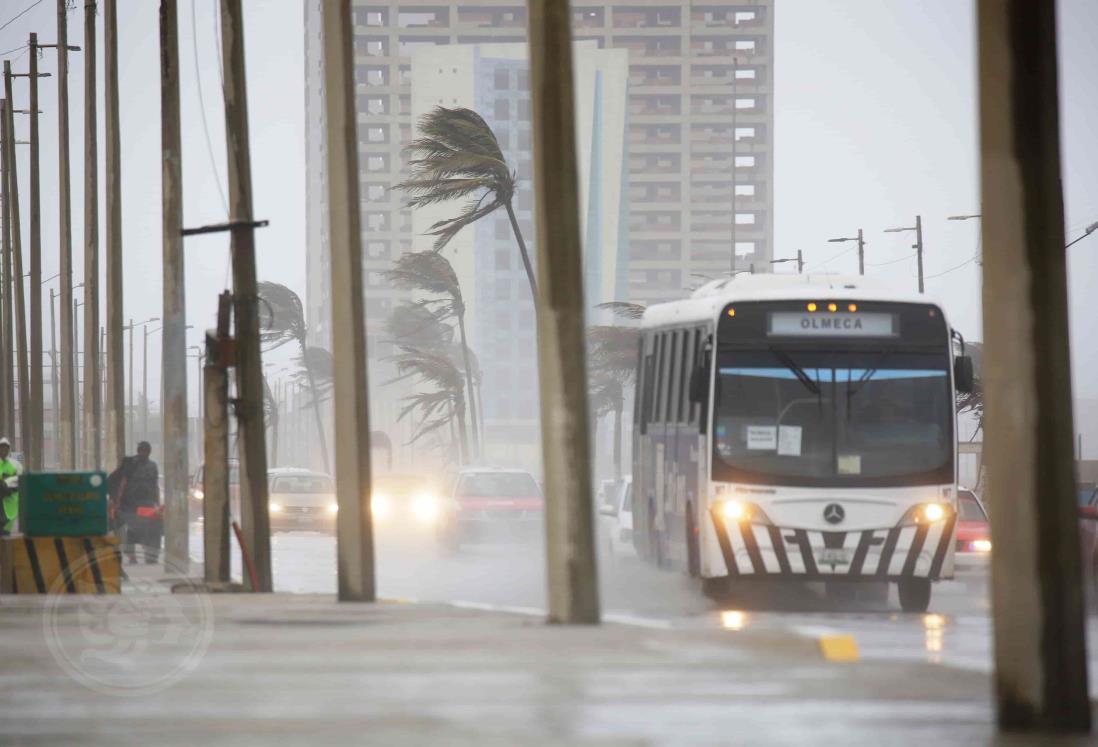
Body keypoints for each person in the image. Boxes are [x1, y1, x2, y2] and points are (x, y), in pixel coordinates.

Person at [110, 442, 162, 564]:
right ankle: (132, 556)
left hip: (147, 503)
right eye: (142, 451)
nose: (143, 453)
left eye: (146, 451)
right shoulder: (130, 464)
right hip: (130, 503)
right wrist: (117, 501)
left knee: (149, 528)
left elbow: (155, 485)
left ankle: (149, 555)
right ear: (138, 451)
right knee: (131, 528)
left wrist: (157, 504)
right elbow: (123, 482)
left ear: (149, 452)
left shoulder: (153, 466)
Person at [0, 437, 22, 536]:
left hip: (10, 505)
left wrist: (7, 483)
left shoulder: (16, 464)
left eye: (6, 448)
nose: (3, 450)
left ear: (9, 449)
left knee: (5, 534)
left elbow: (20, 480)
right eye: (1, 447)